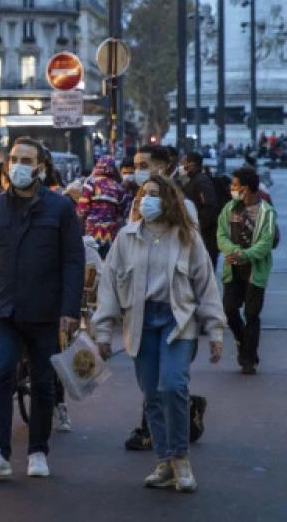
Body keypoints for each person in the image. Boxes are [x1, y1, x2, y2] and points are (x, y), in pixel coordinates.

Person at [0, 137, 84, 479]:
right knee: (0, 373)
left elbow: (73, 261)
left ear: (40, 168)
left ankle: (38, 451)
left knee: (43, 382)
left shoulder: (60, 208)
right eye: (14, 159)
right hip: (3, 308)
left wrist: (69, 309)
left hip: (44, 310)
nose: (17, 165)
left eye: (26, 160)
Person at [94, 175, 225, 493]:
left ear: (168, 200)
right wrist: (103, 331)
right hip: (140, 322)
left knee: (173, 386)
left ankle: (181, 458)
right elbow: (109, 285)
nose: (146, 200)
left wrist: (216, 330)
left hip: (176, 322)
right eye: (143, 195)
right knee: (151, 394)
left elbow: (205, 284)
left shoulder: (187, 238)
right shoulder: (126, 238)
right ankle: (165, 461)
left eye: (154, 194)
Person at [217, 167, 277, 375]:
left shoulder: (267, 212)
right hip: (232, 268)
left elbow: (266, 242)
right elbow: (221, 235)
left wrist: (246, 255)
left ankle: (248, 359)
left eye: (235, 185)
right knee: (230, 310)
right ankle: (243, 341)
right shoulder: (229, 208)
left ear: (246, 188)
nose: (232, 189)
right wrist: (234, 252)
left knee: (252, 314)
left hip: (255, 270)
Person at [131, 146, 198, 225]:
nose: (138, 171)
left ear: (161, 167)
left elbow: (192, 235)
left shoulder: (184, 204)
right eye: (135, 166)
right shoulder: (137, 201)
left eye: (143, 166)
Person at [76, 156, 126, 259]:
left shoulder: (91, 182)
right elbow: (121, 212)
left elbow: (82, 209)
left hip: (92, 230)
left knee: (92, 260)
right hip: (111, 231)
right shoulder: (118, 186)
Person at [180, 152, 220, 265]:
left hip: (206, 236)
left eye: (183, 163)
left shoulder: (201, 181)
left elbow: (209, 206)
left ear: (191, 164)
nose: (182, 167)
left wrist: (198, 226)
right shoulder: (193, 180)